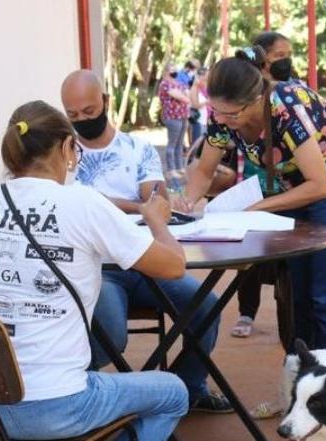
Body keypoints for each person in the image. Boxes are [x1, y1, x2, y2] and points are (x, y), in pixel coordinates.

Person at [0, 100, 188, 439]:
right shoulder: (82, 202)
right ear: (66, 147)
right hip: (51, 407)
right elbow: (174, 266)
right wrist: (155, 221)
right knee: (172, 392)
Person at [173, 46, 326, 362]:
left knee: (325, 297)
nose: (222, 120)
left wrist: (258, 209)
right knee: (298, 296)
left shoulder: (286, 108)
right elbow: (205, 170)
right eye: (216, 111)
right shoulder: (223, 114)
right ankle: (301, 381)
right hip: (291, 188)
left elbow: (318, 186)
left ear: (255, 100)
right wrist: (187, 200)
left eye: (231, 114)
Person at [61, 70, 232, 414]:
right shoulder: (63, 152)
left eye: (89, 112)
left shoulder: (136, 148)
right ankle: (79, 399)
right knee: (111, 335)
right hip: (97, 268)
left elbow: (158, 200)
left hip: (144, 261)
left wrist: (100, 202)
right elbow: (71, 202)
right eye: (73, 115)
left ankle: (188, 388)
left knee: (206, 306)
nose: (82, 121)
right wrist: (134, 206)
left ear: (106, 102)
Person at [229, 32, 296, 338]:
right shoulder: (243, 100)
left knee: (286, 267)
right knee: (251, 261)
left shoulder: (295, 94)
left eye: (288, 54)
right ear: (262, 58)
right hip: (254, 188)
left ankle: (289, 330)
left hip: (288, 195)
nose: (286, 60)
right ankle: (246, 313)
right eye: (279, 55)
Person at [158, 63, 190, 182]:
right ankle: (171, 170)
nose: (175, 72)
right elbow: (182, 97)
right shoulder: (165, 84)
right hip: (172, 117)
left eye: (176, 70)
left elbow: (186, 94)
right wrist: (185, 97)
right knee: (172, 144)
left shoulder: (177, 83)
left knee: (179, 143)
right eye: (172, 70)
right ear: (166, 71)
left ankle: (179, 166)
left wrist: (185, 96)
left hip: (182, 116)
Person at [189, 67, 209, 145]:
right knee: (196, 144)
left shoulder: (202, 89)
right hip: (198, 121)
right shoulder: (194, 89)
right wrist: (207, 102)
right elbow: (195, 105)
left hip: (204, 121)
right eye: (207, 75)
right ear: (200, 76)